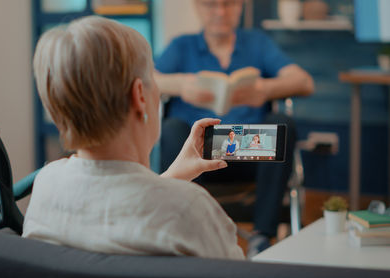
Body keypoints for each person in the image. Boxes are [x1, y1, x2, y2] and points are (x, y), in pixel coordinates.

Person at [22, 16, 244, 260]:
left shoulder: (46, 185)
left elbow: (114, 208)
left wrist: (172, 178)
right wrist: (174, 191)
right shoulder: (189, 208)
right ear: (139, 95)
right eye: (152, 79)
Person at [154, 0, 314, 257]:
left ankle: (262, 237)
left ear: (239, 7)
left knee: (282, 123)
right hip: (196, 154)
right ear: (197, 7)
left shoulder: (257, 43)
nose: (220, 12)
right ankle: (189, 234)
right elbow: (144, 80)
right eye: (211, 5)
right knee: (171, 128)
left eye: (228, 4)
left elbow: (304, 81)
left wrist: (264, 90)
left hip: (251, 151)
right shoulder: (181, 47)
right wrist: (182, 85)